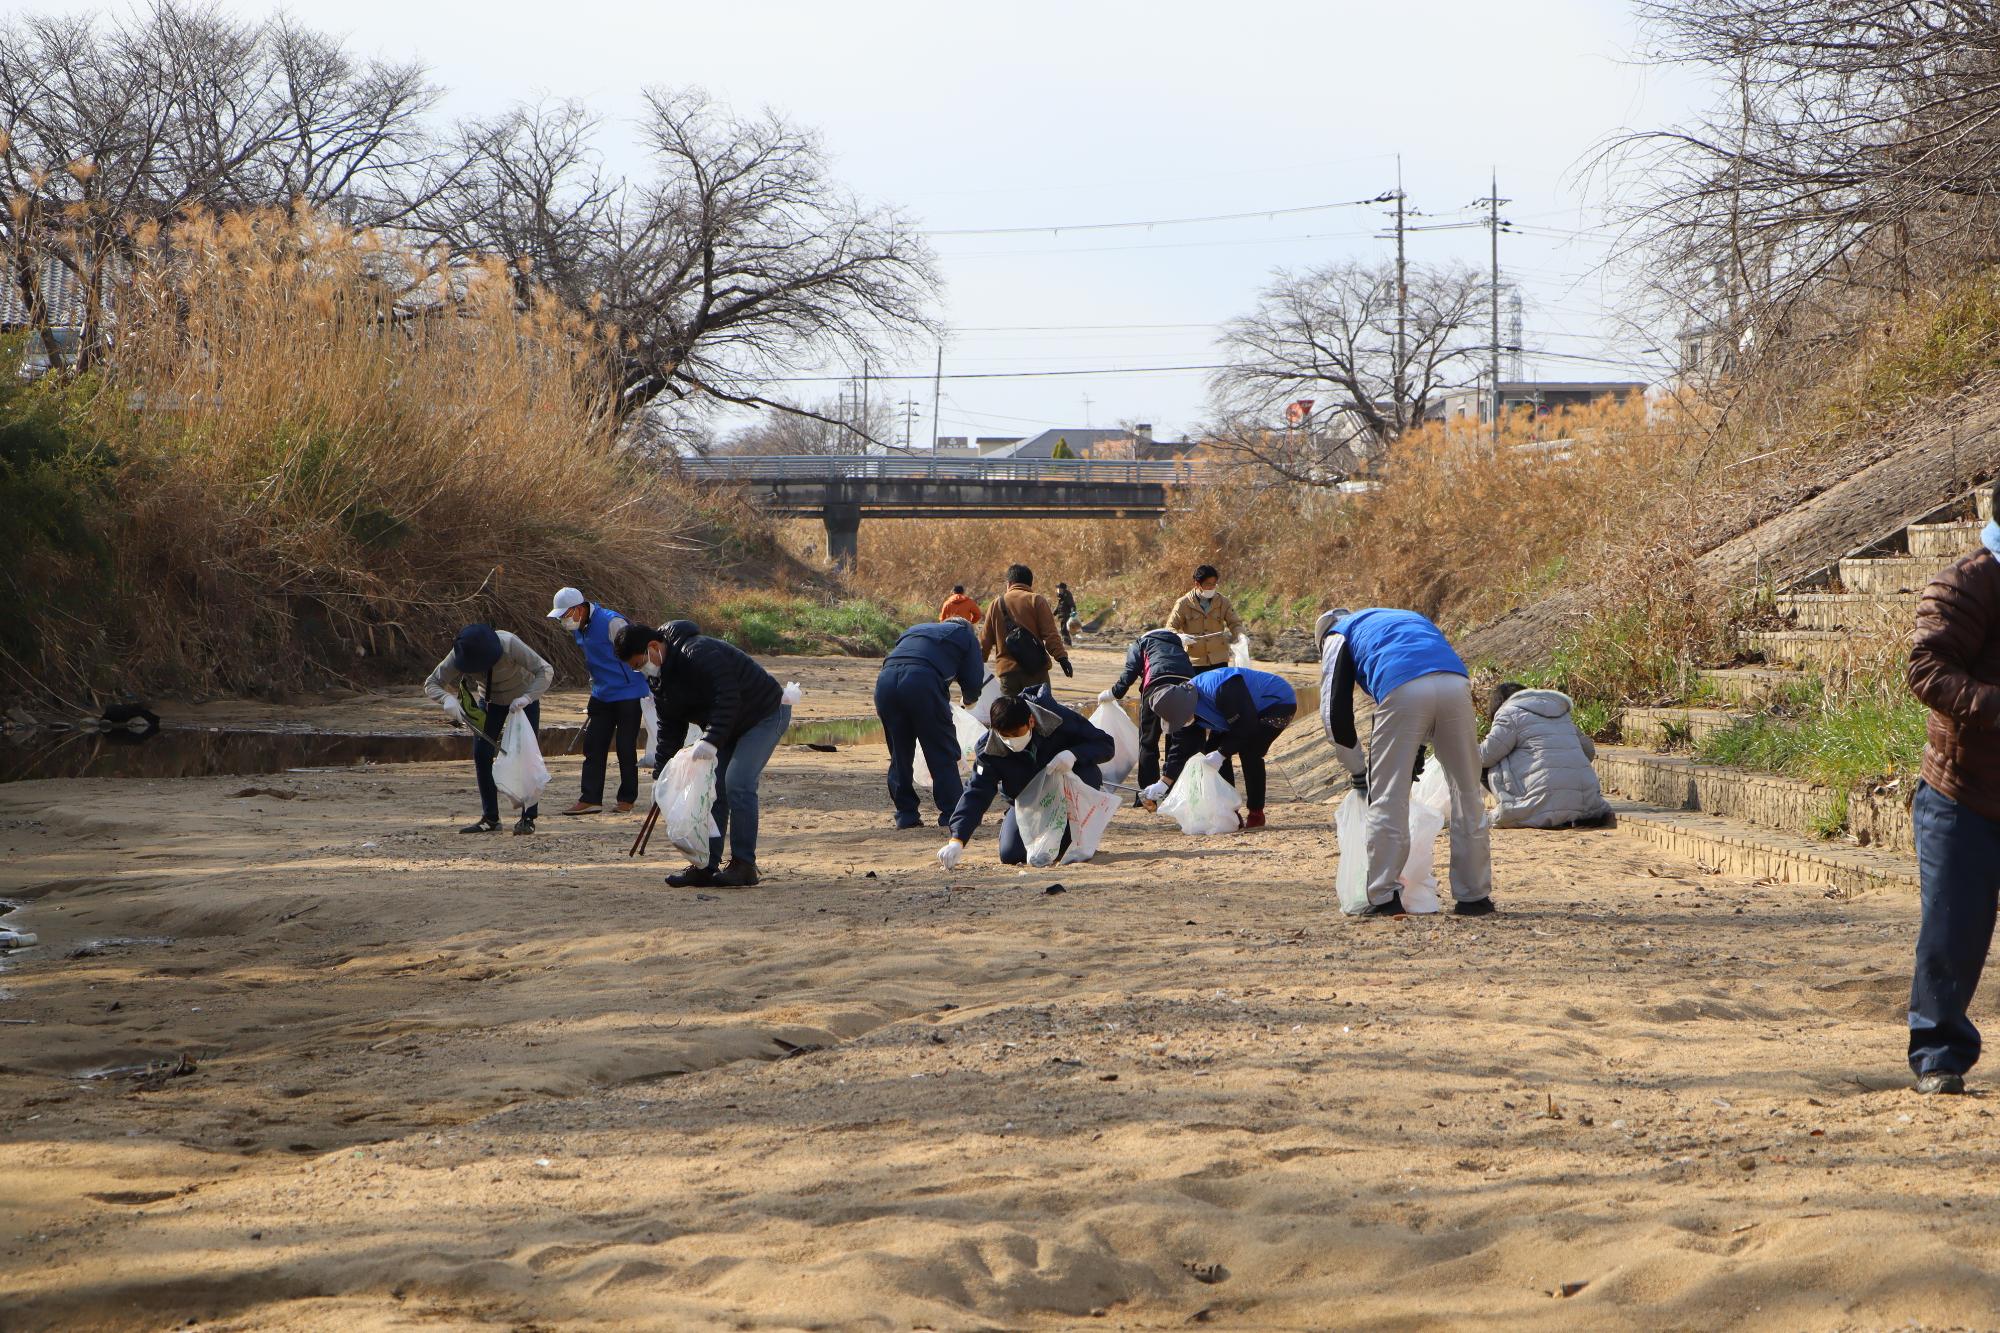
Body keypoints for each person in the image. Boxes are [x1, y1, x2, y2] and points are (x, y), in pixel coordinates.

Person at [1905, 487, 2000, 1095]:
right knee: (1953, 929)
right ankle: (1939, 1052)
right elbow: (1926, 668)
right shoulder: (1965, 586)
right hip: (1962, 793)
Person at [1317, 607, 1493, 917]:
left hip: (1403, 686)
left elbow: (1334, 717)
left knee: (1388, 798)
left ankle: (1384, 896)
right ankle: (1474, 896)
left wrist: (1359, 770)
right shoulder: (1400, 619)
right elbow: (1427, 679)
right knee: (1467, 793)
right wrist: (1416, 749)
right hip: (1456, 683)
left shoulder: (1336, 635)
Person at [618, 621, 789, 888]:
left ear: (653, 647)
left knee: (738, 783)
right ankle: (706, 866)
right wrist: (660, 776)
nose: (641, 670)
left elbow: (728, 696)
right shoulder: (659, 677)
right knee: (713, 789)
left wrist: (710, 739)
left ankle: (744, 865)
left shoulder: (698, 652)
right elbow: (669, 728)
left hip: (764, 713)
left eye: (639, 664)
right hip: (729, 725)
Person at [937, 687, 1115, 868]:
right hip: (1026, 801)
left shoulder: (1057, 719)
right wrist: (957, 840)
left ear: (1031, 721)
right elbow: (976, 792)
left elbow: (1105, 744)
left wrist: (1073, 754)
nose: (1010, 741)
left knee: (1065, 849)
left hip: (1067, 792)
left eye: (1015, 734)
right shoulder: (989, 749)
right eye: (1004, 736)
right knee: (1011, 855)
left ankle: (1076, 831)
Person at [424, 623, 554, 836]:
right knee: (482, 753)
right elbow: (432, 683)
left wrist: (527, 697)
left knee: (525, 757)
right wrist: (446, 698)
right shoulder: (461, 652)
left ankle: (528, 817)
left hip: (523, 702)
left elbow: (545, 670)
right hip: (490, 702)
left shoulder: (510, 644)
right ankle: (491, 818)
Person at [1142, 666, 1298, 829]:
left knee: (1250, 752)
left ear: (1186, 705)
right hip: (1236, 716)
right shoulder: (1180, 710)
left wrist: (1222, 753)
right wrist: (1164, 782)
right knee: (1212, 751)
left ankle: (1256, 812)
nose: (1181, 721)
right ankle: (1231, 811)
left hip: (1276, 704)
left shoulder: (1222, 688)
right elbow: (1181, 749)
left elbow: (1246, 726)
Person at [547, 586, 651, 816]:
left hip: (628, 693)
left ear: (578, 609)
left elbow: (637, 653)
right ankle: (590, 799)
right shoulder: (579, 628)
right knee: (593, 746)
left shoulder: (612, 622)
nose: (563, 620)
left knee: (625, 747)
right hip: (602, 694)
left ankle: (627, 798)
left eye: (564, 615)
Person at [876, 613, 985, 830]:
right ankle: (951, 813)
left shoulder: (915, 629)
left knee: (900, 753)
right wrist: (969, 701)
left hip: (885, 682)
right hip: (921, 683)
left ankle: (906, 815)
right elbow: (973, 681)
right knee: (941, 750)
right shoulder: (966, 635)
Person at [1478, 682, 1614, 829]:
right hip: (1587, 806)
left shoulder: (1509, 713)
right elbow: (1588, 751)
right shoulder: (1560, 714)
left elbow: (1485, 756)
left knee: (1479, 763)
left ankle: (1516, 803)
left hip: (1538, 804)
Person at [1101, 627, 1198, 801]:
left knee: (1148, 741)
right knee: (1177, 739)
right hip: (1187, 687)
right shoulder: (1177, 645)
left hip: (1156, 686)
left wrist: (1113, 693)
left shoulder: (1140, 642)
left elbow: (1130, 671)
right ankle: (1172, 791)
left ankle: (1148, 795)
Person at [980, 563, 1072, 695]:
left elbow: (985, 641)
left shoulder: (996, 604)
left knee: (1009, 714)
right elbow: (1051, 634)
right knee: (1039, 713)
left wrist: (978, 666)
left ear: (1009, 583)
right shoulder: (1037, 600)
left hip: (1008, 673)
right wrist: (1062, 658)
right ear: (1030, 584)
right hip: (1036, 671)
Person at [1167, 564, 1245, 674]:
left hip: (1219, 660)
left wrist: (1241, 635)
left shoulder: (1223, 602)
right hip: (1194, 662)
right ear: (1197, 584)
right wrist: (1179, 637)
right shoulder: (1183, 603)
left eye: (1214, 584)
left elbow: (1235, 623)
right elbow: (1170, 628)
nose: (1212, 588)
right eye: (1208, 584)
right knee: (1197, 691)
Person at [1054, 581, 1079, 646]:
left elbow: (1072, 605)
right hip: (1062, 617)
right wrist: (1053, 613)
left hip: (1066, 616)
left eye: (1059, 589)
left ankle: (1067, 643)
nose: (1058, 590)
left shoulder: (1067, 596)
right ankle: (1066, 643)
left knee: (1064, 630)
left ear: (1063, 589)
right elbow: (1058, 606)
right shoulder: (1061, 597)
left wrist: (1073, 613)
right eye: (1058, 589)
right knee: (1063, 630)